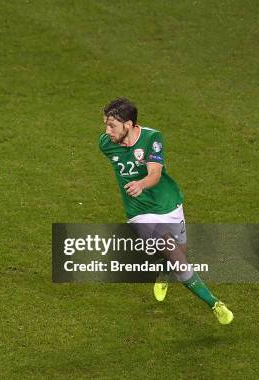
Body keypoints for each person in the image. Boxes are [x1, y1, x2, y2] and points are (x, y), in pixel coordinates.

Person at [98, 97, 233, 324]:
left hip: (168, 204)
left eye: (112, 125)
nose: (107, 130)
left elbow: (155, 174)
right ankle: (215, 304)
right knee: (177, 258)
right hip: (140, 212)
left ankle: (164, 271)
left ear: (128, 125)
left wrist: (141, 184)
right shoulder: (106, 143)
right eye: (105, 124)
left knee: (179, 253)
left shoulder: (152, 138)